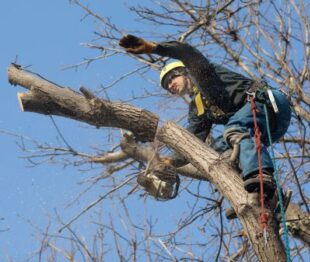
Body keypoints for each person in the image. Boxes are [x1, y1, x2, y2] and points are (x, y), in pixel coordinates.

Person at [119, 35, 291, 198]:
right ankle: (262, 195)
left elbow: (185, 51)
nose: (170, 85)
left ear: (184, 72)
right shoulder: (198, 108)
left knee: (233, 128)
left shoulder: (203, 74)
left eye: (172, 78)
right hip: (263, 129)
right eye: (166, 85)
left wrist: (153, 48)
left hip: (267, 104)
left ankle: (261, 174)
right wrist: (167, 163)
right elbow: (191, 141)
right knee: (215, 155)